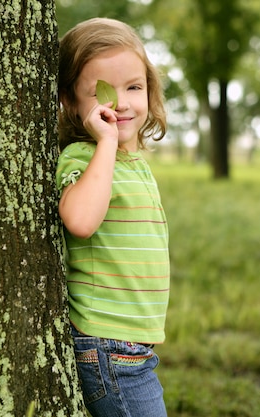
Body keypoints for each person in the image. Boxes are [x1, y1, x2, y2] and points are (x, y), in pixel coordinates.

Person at [55, 17, 169, 417]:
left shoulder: (133, 161)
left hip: (132, 347)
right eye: (102, 92)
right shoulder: (84, 157)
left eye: (134, 87)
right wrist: (104, 143)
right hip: (108, 345)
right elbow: (81, 220)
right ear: (70, 101)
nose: (121, 103)